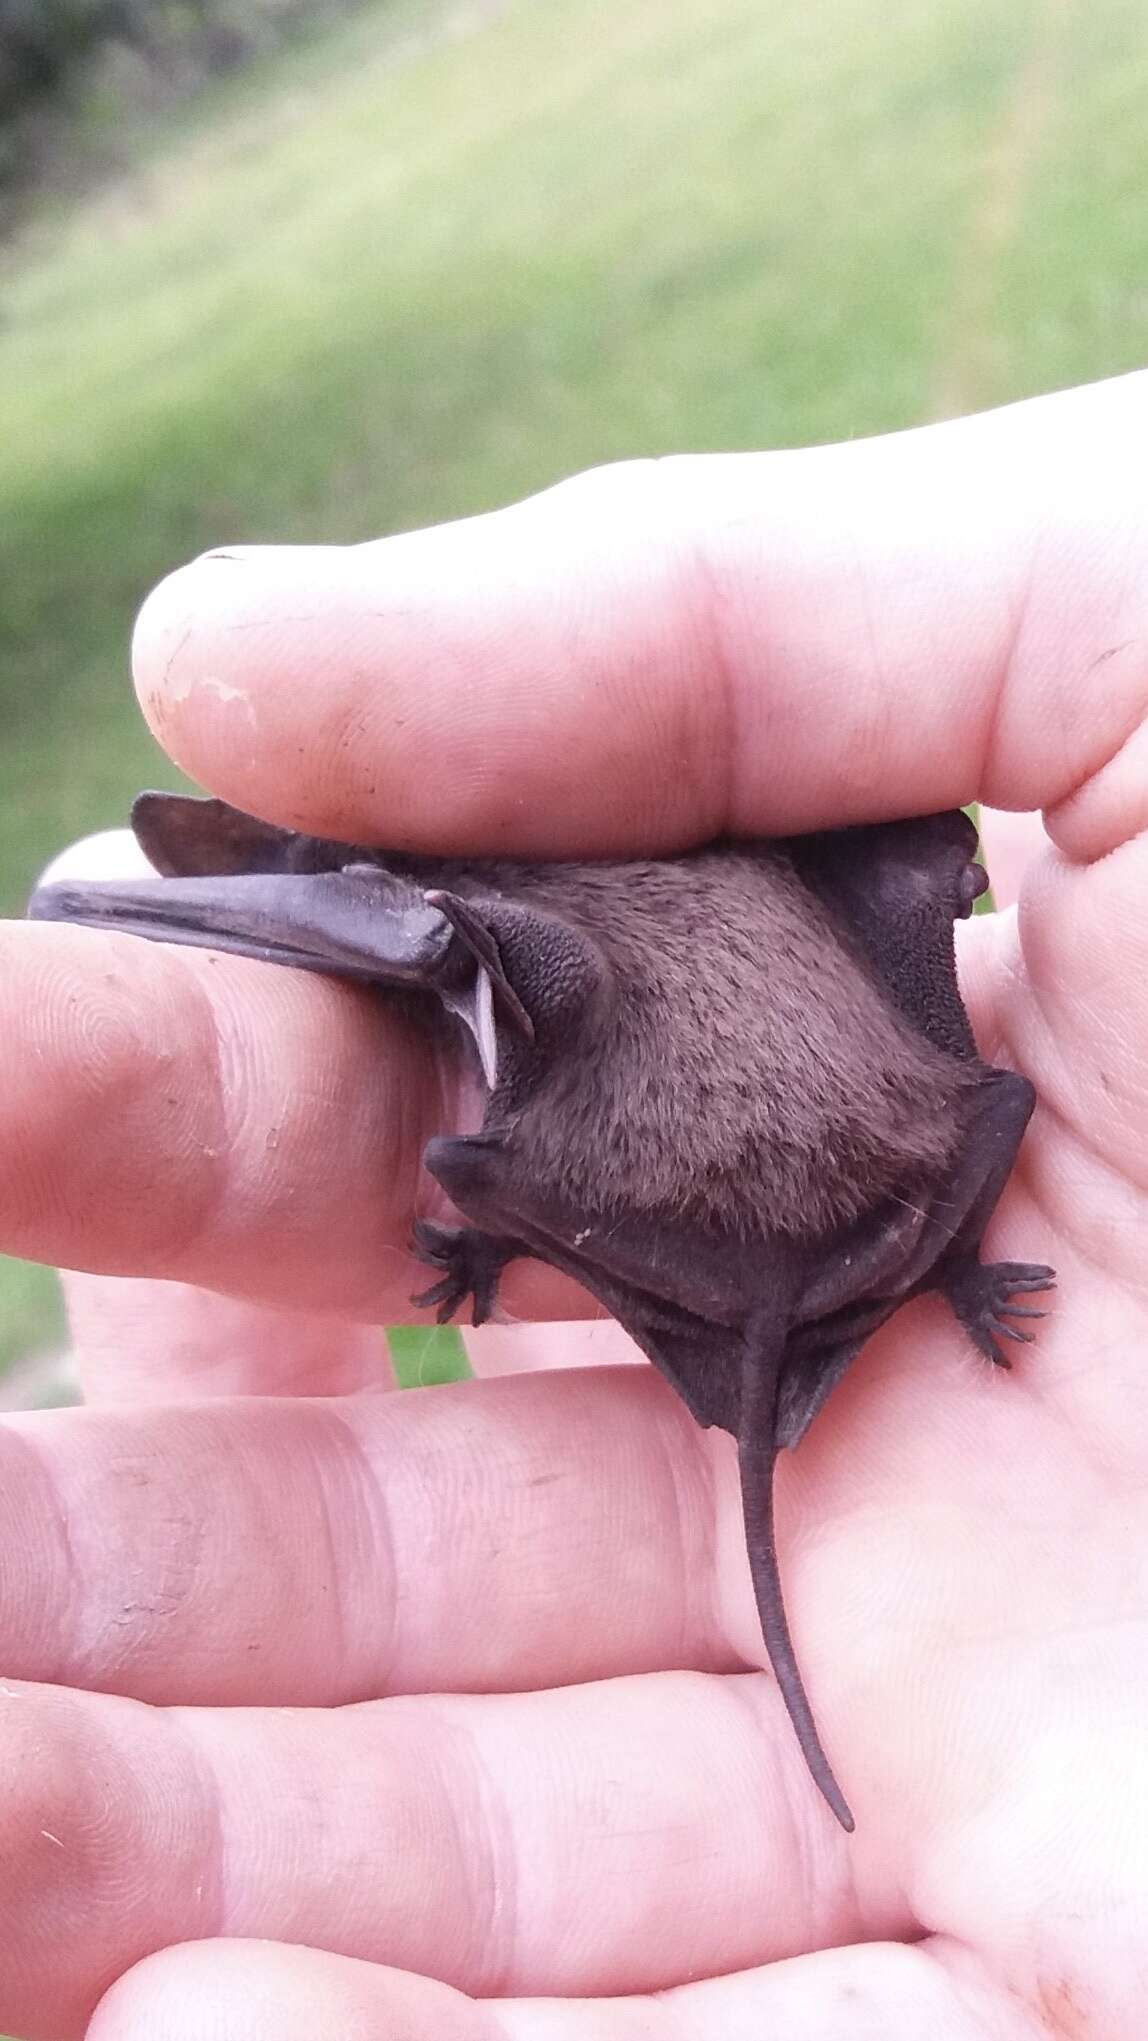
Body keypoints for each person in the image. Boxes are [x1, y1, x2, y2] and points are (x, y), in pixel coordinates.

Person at [2, 371, 1146, 2039]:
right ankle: (889, 1271)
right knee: (547, 1162)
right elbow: (974, 1073)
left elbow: (488, 1128)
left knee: (482, 1166)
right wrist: (950, 1269)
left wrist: (478, 1234)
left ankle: (754, 1275)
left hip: (712, 1155)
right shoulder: (773, 892)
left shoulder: (490, 929)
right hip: (906, 1134)